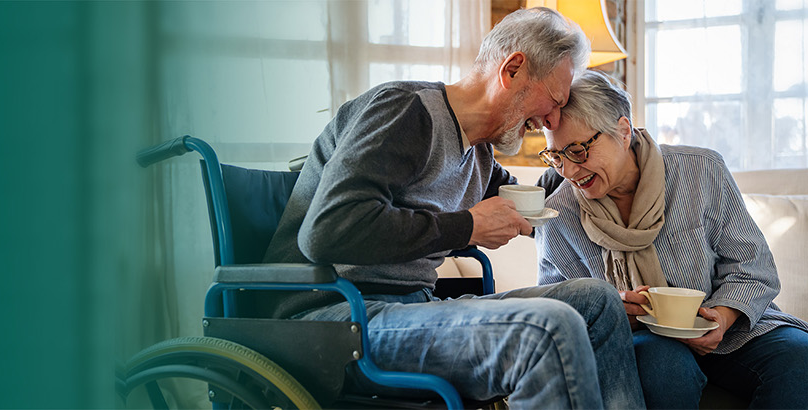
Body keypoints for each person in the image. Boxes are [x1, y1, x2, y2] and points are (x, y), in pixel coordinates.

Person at [262, 7, 644, 409]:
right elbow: (326, 230)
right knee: (546, 329)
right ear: (513, 70)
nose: (551, 119)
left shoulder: (479, 155)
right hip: (334, 315)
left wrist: (620, 166)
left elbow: (540, 202)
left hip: (409, 310)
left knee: (598, 303)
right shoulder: (406, 112)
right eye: (553, 100)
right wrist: (466, 227)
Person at [536, 70, 808, 408]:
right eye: (556, 157)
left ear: (622, 132)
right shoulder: (557, 216)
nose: (569, 171)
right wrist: (610, 308)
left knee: (799, 358)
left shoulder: (701, 170)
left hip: (733, 329)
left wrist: (720, 318)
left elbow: (753, 267)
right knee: (663, 368)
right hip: (642, 339)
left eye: (578, 151)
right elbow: (555, 309)